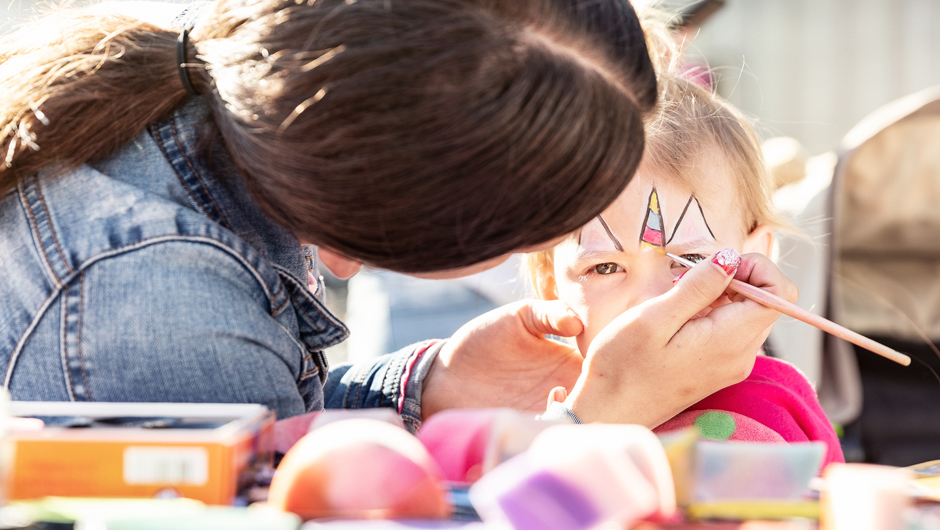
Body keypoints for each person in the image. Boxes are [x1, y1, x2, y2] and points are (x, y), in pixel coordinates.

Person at [0, 0, 794, 432]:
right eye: (545, 232)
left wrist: (428, 386)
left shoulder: (221, 160)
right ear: (366, 236)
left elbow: (267, 430)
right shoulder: (154, 295)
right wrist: (598, 425)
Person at [527, 72, 843, 465]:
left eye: (691, 262)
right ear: (550, 285)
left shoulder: (763, 417)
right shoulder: (541, 410)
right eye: (605, 266)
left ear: (755, 260)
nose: (650, 303)